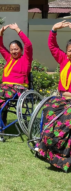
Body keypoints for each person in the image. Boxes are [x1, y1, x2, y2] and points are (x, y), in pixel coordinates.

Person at [37, 20, 71, 172]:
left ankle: (60, 154)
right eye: (70, 50)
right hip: (62, 98)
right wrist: (53, 30)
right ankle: (45, 146)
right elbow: (52, 46)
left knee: (66, 120)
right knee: (48, 110)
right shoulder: (64, 59)